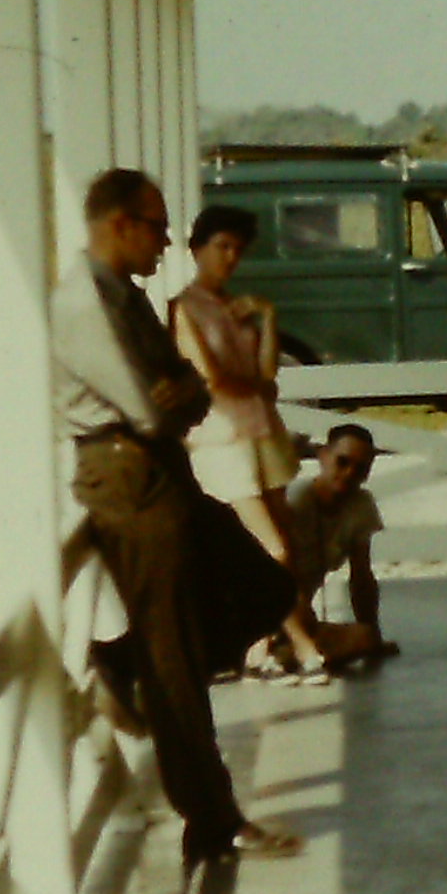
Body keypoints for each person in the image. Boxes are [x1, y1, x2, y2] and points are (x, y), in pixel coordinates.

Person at [50, 167, 302, 868]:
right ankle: (212, 818)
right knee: (176, 657)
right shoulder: (85, 305)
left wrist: (185, 389)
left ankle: (124, 659)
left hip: (163, 466)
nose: (168, 241)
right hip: (127, 473)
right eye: (157, 226)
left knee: (268, 588)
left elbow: (189, 395)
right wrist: (184, 391)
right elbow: (153, 403)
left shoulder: (124, 296)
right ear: (119, 224)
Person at [168, 204, 326, 679]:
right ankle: (305, 646)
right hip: (221, 440)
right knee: (270, 549)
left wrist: (268, 316)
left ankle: (260, 646)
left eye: (238, 249)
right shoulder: (184, 308)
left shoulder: (236, 307)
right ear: (197, 249)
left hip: (260, 431)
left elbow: (267, 376)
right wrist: (251, 383)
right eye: (222, 247)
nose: (231, 258)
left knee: (289, 546)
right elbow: (212, 380)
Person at [275, 425, 395, 674]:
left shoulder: (361, 504)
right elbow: (277, 575)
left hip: (302, 619)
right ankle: (282, 651)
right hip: (273, 609)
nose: (349, 473)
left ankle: (287, 655)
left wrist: (372, 634)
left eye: (360, 469)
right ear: (323, 456)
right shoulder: (296, 500)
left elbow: (361, 576)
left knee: (363, 637)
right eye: (342, 462)